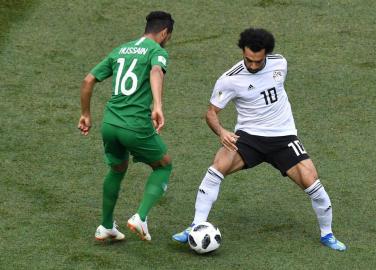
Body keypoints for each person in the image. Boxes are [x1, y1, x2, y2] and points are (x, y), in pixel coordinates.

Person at [172, 28, 346, 251]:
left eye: (258, 61)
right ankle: (195, 226)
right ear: (242, 52)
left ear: (267, 54)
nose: (253, 65)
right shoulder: (230, 79)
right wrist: (222, 132)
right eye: (248, 60)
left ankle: (327, 234)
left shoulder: (280, 64)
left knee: (311, 179)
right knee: (218, 166)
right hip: (249, 137)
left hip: (283, 137)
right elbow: (211, 113)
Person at [78, 11, 174, 242]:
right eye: (169, 36)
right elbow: (155, 71)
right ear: (163, 33)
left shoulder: (120, 50)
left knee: (117, 169)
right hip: (134, 125)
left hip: (109, 124)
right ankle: (140, 217)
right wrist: (158, 106)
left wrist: (85, 114)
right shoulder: (157, 51)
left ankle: (106, 225)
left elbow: (88, 80)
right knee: (163, 165)